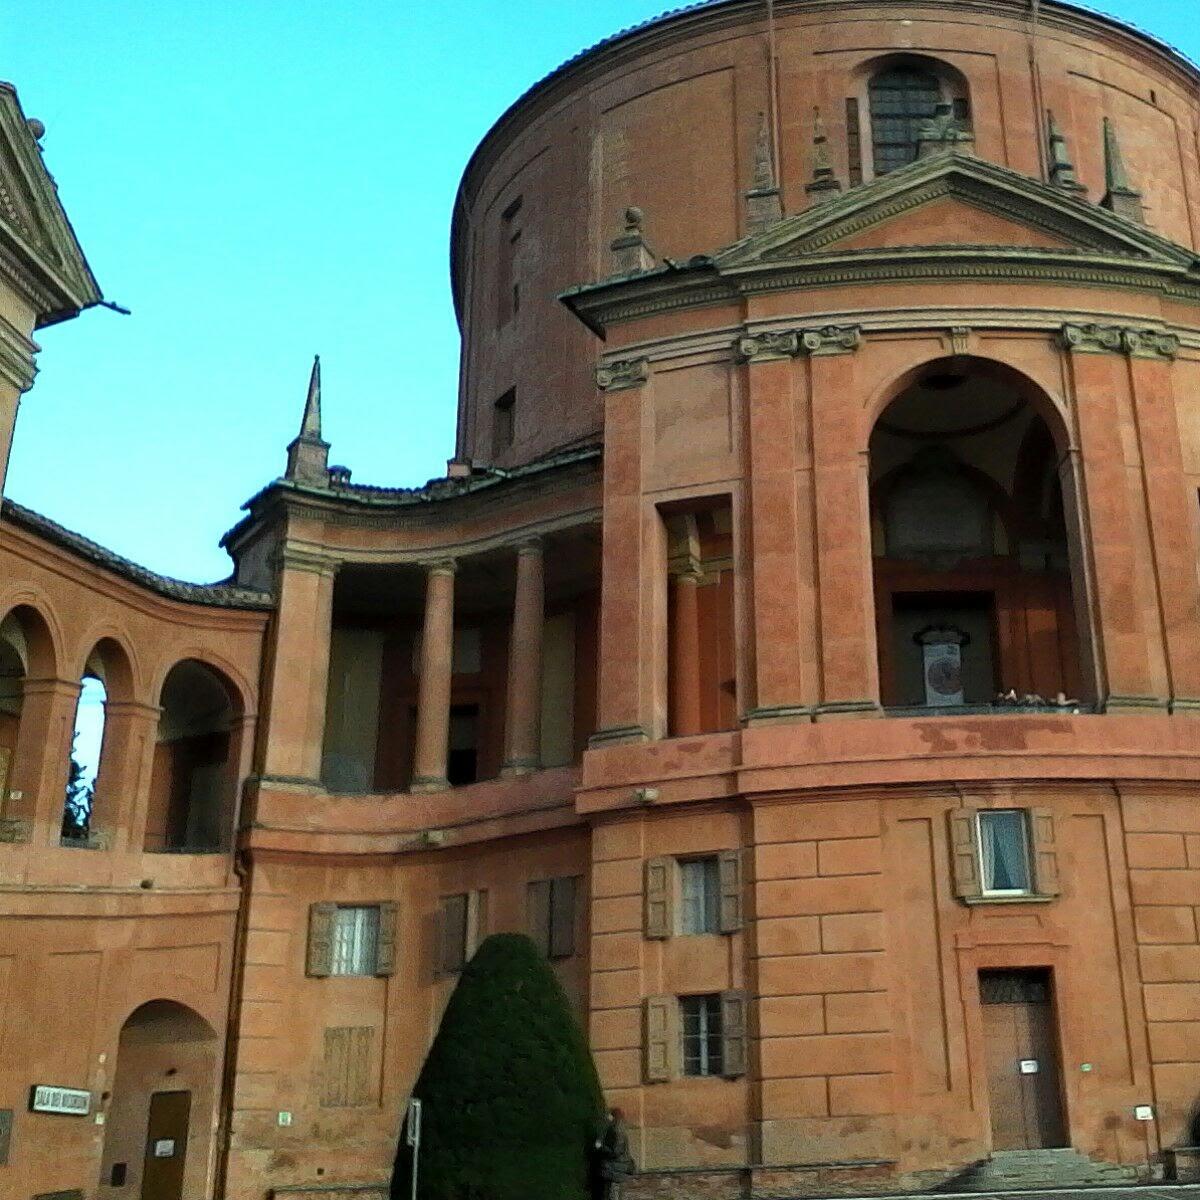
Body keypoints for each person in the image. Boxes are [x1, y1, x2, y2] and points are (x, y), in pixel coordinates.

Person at [593, 1107, 635, 1200]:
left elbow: (616, 1151)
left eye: (609, 1116)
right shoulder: (616, 1129)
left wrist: (600, 1147)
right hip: (616, 1169)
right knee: (613, 1194)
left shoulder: (617, 1131)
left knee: (613, 1195)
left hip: (615, 1169)